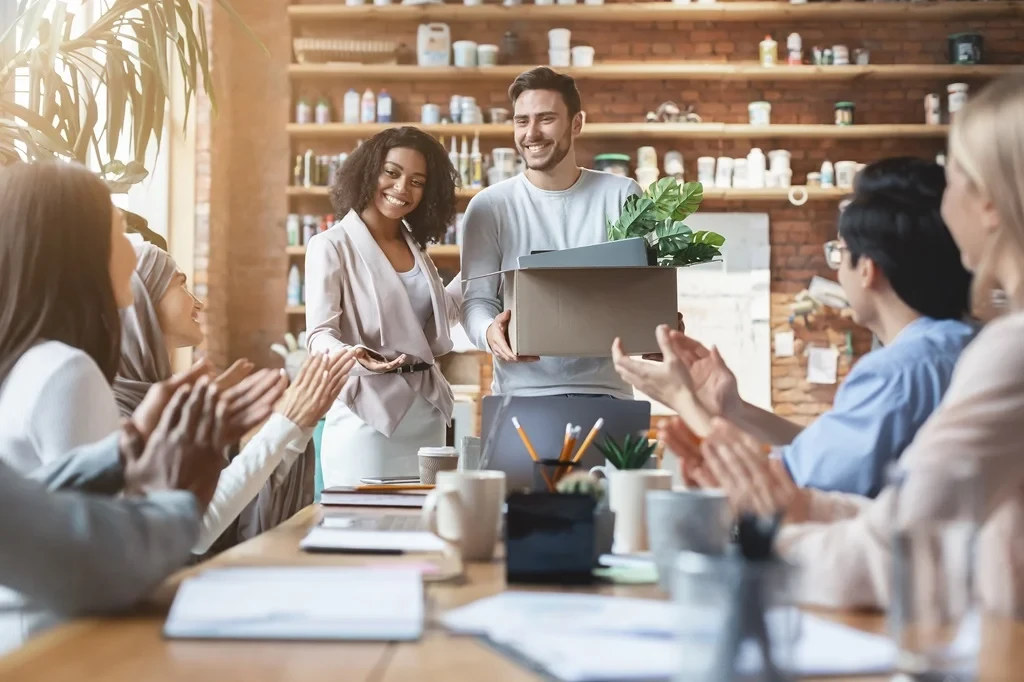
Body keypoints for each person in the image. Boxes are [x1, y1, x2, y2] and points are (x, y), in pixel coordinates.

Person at [659, 73, 1024, 615]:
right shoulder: (973, 342)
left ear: (990, 202)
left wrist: (763, 538)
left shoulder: (987, 353)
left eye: (957, 177)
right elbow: (907, 515)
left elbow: (891, 556)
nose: (948, 202)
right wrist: (791, 497)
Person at [614, 158, 975, 497]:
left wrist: (684, 401)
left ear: (867, 269)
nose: (836, 268)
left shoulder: (895, 372)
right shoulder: (959, 346)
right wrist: (732, 407)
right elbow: (824, 456)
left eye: (838, 250)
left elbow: (785, 494)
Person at [0, 365, 282, 655]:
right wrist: (171, 499)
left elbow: (24, 499)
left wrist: (126, 446)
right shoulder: (70, 372)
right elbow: (92, 562)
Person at [114, 243, 355, 554]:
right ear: (143, 297)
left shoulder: (169, 396)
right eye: (181, 284)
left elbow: (240, 508)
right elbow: (196, 528)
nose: (197, 302)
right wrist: (285, 425)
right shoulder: (114, 407)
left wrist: (300, 425)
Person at [460, 67, 643, 399]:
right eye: (521, 121)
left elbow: (641, 290)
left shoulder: (622, 195)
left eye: (546, 119)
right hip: (519, 396)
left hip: (608, 393)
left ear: (576, 123)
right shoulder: (490, 206)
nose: (531, 133)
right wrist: (489, 331)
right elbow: (477, 300)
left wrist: (658, 328)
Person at [305, 126, 463, 487]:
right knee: (360, 530)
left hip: (426, 415)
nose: (402, 188)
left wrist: (481, 268)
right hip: (368, 417)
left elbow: (439, 317)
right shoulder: (331, 245)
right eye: (391, 173)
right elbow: (318, 336)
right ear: (369, 172)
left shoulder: (416, 248)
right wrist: (356, 354)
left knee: (422, 532)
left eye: (417, 181)